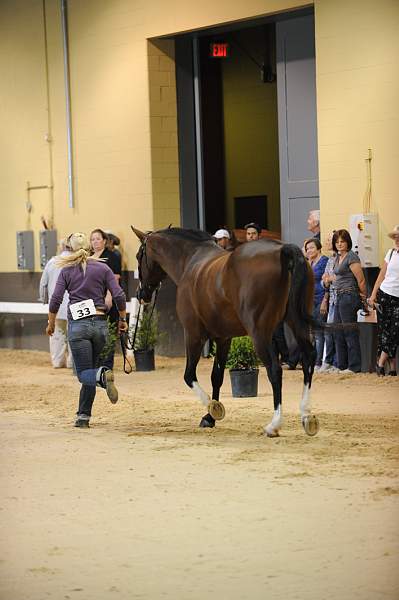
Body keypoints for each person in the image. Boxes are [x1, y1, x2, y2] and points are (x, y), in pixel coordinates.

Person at [46, 232, 128, 428]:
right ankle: (83, 416)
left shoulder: (66, 270)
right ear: (90, 247)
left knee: (84, 373)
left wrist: (50, 324)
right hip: (100, 324)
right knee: (90, 370)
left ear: (70, 248)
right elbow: (119, 295)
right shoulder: (103, 267)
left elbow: (55, 300)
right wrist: (122, 319)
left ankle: (101, 376)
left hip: (79, 326)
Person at [331, 229, 367, 373]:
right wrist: (328, 280)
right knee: (337, 332)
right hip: (339, 296)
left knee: (349, 332)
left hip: (349, 296)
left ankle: (354, 366)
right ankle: (342, 365)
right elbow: (338, 277)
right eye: (337, 242)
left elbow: (362, 280)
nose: (339, 244)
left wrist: (364, 298)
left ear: (348, 242)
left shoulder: (352, 257)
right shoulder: (337, 257)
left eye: (342, 241)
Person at [368, 225, 399, 376]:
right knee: (384, 332)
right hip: (385, 294)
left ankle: (380, 364)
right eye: (395, 237)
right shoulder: (391, 253)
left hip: (398, 298)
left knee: (394, 332)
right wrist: (373, 295)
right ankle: (392, 368)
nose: (397, 240)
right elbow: (382, 275)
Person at [90, 228, 122, 369]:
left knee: (107, 332)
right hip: (90, 300)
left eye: (98, 238)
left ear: (104, 240)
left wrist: (108, 297)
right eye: (92, 239)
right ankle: (94, 363)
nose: (95, 241)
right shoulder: (88, 257)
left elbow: (115, 278)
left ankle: (107, 365)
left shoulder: (112, 256)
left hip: (106, 299)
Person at [39, 238, 73, 369]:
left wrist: (43, 299)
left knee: (56, 336)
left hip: (56, 307)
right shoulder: (76, 261)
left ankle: (57, 362)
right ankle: (71, 362)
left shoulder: (52, 261)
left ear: (61, 247)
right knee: (73, 335)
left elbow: (43, 283)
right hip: (73, 306)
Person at [304, 238, 328, 370]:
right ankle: (314, 360)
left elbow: (327, 283)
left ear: (319, 248)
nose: (309, 251)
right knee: (312, 333)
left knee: (319, 333)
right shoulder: (309, 263)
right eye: (307, 249)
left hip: (321, 299)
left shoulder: (324, 261)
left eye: (312, 248)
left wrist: (325, 300)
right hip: (310, 300)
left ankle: (319, 362)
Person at [320, 231, 338, 372]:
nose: (326, 242)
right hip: (331, 297)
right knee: (329, 331)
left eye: (328, 240)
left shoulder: (340, 258)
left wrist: (328, 279)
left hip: (339, 297)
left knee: (336, 331)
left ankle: (336, 362)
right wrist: (326, 281)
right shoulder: (330, 259)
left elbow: (336, 278)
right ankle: (329, 361)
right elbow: (324, 280)